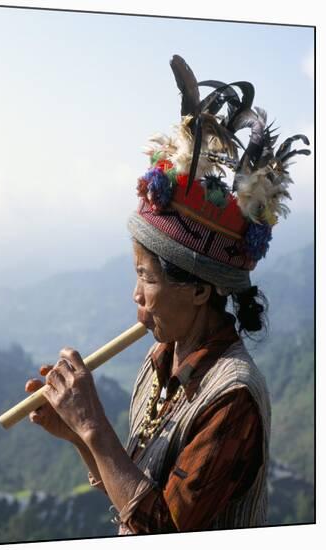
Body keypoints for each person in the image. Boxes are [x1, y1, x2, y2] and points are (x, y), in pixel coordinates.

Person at [24, 55, 310, 535]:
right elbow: (134, 488)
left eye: (148, 278)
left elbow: (162, 530)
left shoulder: (232, 398)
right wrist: (78, 436)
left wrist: (94, 425)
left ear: (200, 290)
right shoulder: (160, 362)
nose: (136, 296)